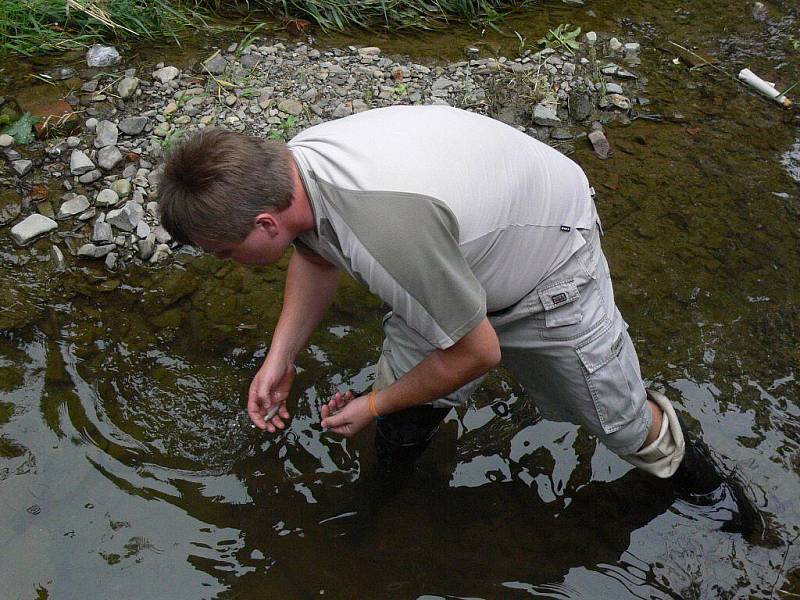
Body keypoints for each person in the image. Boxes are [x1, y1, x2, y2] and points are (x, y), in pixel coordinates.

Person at [158, 105, 759, 530]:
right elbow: (316, 256)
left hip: (548, 266)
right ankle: (388, 501)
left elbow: (480, 353)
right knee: (404, 395)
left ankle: (715, 493)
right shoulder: (292, 171)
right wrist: (280, 357)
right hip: (452, 250)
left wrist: (370, 406)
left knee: (619, 421)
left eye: (226, 252)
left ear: (265, 224)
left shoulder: (384, 233)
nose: (231, 264)